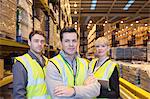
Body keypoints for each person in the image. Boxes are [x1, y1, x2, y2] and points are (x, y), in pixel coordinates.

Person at [45, 27, 100, 99]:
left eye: (74, 41)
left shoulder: (85, 63)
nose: (71, 44)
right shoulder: (53, 65)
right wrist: (84, 88)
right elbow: (58, 96)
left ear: (78, 42)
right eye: (67, 41)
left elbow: (96, 90)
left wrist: (73, 91)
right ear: (61, 43)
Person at [13, 30, 50, 99]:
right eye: (36, 41)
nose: (39, 44)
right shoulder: (21, 63)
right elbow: (19, 94)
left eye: (42, 41)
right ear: (29, 42)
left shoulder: (48, 62)